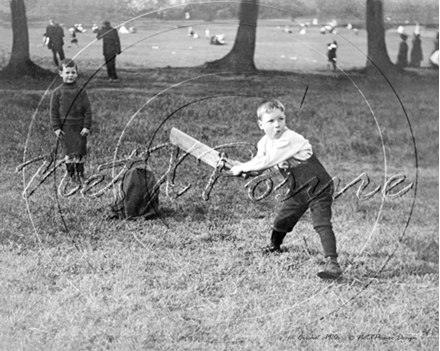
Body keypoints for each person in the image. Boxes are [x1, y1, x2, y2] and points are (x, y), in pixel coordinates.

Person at [230, 100, 343, 280]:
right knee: (283, 219)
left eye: (281, 119)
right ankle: (275, 246)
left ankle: (332, 264)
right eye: (271, 121)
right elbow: (260, 165)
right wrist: (242, 168)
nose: (277, 125)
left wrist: (241, 168)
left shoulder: (290, 138)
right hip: (297, 189)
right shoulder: (265, 142)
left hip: (319, 187)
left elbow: (268, 161)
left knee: (321, 223)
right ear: (261, 124)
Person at [51, 59, 93, 184]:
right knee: (69, 152)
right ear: (60, 73)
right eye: (67, 72)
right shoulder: (57, 92)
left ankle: (80, 174)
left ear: (77, 73)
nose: (70, 75)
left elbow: (87, 110)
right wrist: (57, 128)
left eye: (73, 72)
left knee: (80, 151)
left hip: (79, 126)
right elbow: (54, 112)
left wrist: (86, 126)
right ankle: (71, 175)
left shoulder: (81, 91)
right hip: (65, 127)